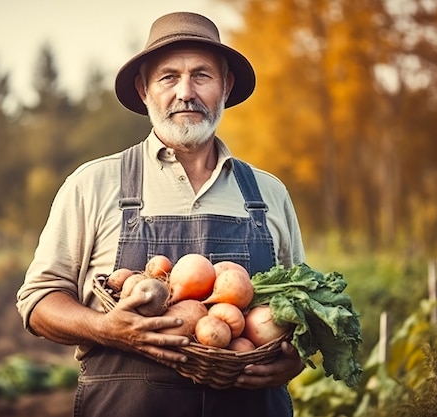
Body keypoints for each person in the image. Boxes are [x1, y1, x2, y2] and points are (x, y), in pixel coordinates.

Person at [17, 11, 306, 417]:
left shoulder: (268, 193)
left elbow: (299, 309)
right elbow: (37, 300)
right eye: (168, 77)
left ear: (226, 86)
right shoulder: (93, 184)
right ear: (144, 89)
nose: (185, 92)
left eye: (201, 75)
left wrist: (294, 360)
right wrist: (107, 330)